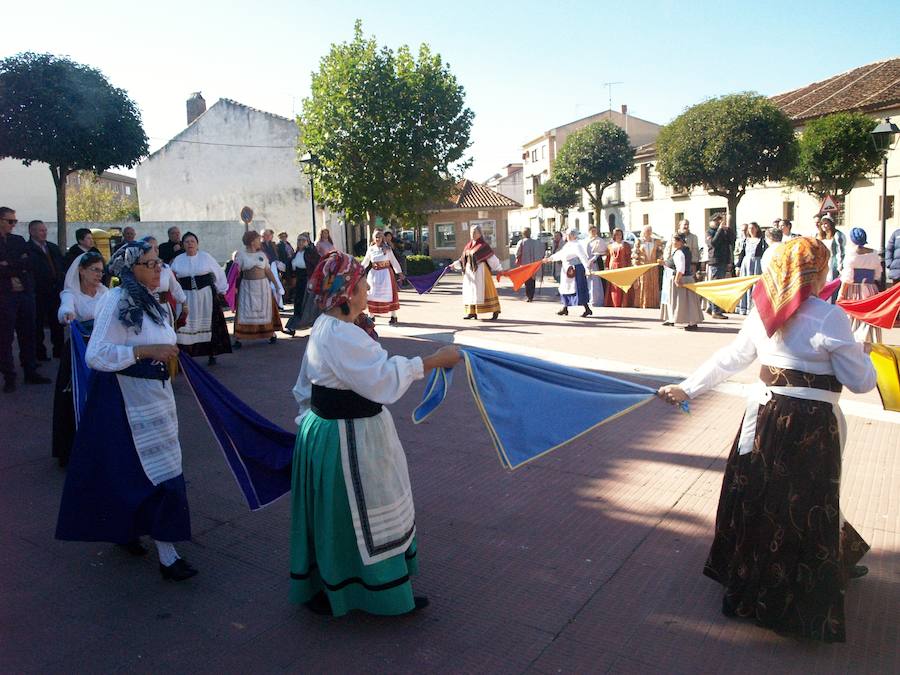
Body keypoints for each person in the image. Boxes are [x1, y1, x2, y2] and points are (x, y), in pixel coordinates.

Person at [657, 237, 876, 643]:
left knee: (761, 497)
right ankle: (795, 598)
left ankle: (749, 584)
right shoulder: (830, 317)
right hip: (812, 425)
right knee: (808, 502)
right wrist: (864, 355)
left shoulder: (762, 313)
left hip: (764, 416)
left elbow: (731, 358)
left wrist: (688, 388)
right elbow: (860, 382)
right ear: (817, 272)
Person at [290, 250, 461, 616]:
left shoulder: (329, 325)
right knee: (364, 510)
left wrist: (309, 422)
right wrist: (433, 362)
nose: (368, 287)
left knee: (337, 516)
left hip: (332, 432)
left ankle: (334, 585)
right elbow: (381, 380)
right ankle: (374, 591)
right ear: (347, 292)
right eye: (361, 282)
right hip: (349, 438)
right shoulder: (340, 334)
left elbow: (306, 385)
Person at [56, 241, 198, 582]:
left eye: (158, 263)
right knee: (153, 469)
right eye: (149, 264)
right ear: (130, 269)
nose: (158, 269)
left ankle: (127, 530)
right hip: (127, 399)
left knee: (141, 469)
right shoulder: (117, 300)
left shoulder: (152, 301)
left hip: (157, 395)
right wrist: (146, 351)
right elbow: (96, 354)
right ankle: (168, 555)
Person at [52, 251, 108, 466]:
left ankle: (101, 446)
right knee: (73, 396)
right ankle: (72, 448)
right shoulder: (71, 294)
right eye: (94, 270)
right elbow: (64, 308)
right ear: (81, 271)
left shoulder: (105, 293)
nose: (98, 275)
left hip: (101, 350)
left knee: (101, 396)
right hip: (78, 351)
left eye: (101, 271)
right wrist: (66, 315)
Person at [0, 207, 50, 392]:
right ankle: (9, 376)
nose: (13, 224)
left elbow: (29, 263)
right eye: (10, 221)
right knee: (4, 339)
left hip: (24, 295)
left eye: (15, 221)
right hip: (4, 298)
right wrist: (14, 268)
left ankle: (30, 371)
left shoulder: (18, 240)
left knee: (28, 334)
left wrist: (8, 266)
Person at [170, 232, 232, 365]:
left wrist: (221, 289)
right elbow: (172, 279)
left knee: (209, 324)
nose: (190, 244)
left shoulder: (206, 257)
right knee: (185, 325)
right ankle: (185, 355)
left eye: (193, 241)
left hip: (205, 296)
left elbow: (219, 273)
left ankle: (211, 353)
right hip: (186, 297)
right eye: (187, 242)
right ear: (183, 245)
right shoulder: (178, 260)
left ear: (197, 244)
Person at [233, 230, 283, 347]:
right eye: (257, 239)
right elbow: (235, 273)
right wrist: (233, 287)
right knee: (244, 311)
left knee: (266, 310)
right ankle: (239, 337)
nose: (259, 241)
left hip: (263, 287)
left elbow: (268, 271)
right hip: (247, 287)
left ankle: (271, 334)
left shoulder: (262, 255)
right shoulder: (241, 255)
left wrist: (276, 285)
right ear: (251, 242)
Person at [27, 220, 66, 361]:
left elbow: (61, 266)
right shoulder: (28, 249)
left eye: (45, 230)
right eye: (41, 230)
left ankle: (59, 350)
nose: (44, 233)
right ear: (32, 232)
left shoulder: (53, 248)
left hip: (55, 291)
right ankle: (40, 353)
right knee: (37, 324)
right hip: (38, 292)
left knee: (57, 323)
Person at [839, 228, 883, 343]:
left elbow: (847, 278)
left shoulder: (851, 255)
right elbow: (877, 274)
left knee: (854, 317)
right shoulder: (874, 254)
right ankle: (870, 342)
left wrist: (841, 294)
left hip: (854, 290)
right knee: (869, 317)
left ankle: (855, 343)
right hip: (871, 288)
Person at [452, 225, 502, 320]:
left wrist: (499, 268)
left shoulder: (483, 246)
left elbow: (492, 258)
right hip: (469, 273)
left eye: (475, 232)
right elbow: (463, 259)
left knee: (486, 291)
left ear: (480, 233)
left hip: (481, 272)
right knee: (470, 291)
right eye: (471, 232)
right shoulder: (468, 246)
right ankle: (472, 312)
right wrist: (454, 265)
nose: (473, 234)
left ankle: (495, 310)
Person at [660, 233, 703, 331]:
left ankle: (692, 323)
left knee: (684, 302)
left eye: (675, 240)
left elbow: (680, 268)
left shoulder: (679, 253)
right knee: (688, 301)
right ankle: (675, 319)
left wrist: (676, 279)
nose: (673, 242)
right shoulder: (686, 250)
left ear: (680, 242)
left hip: (682, 279)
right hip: (687, 278)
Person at [546, 229, 592, 317]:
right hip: (566, 269)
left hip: (575, 270)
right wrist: (550, 258)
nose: (566, 236)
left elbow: (583, 257)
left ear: (571, 235)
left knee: (577, 289)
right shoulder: (568, 245)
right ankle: (565, 308)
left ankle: (587, 309)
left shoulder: (577, 245)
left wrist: (587, 268)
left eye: (567, 235)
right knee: (564, 288)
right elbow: (561, 254)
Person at [361, 229, 403, 325]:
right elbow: (366, 261)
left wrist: (399, 272)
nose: (377, 238)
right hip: (374, 274)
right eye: (376, 237)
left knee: (388, 295)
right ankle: (371, 316)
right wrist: (358, 269)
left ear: (382, 238)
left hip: (386, 275)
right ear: (373, 238)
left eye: (379, 236)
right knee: (371, 294)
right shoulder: (371, 249)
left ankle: (393, 316)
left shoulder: (387, 249)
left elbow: (393, 261)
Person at [284, 233, 321, 334]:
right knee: (298, 304)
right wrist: (290, 277)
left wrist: (314, 279)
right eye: (298, 240)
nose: (300, 242)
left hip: (308, 281)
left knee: (308, 304)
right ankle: (292, 327)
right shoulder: (295, 254)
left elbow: (317, 266)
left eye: (302, 240)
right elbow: (290, 266)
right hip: (299, 281)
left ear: (307, 242)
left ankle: (315, 326)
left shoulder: (311, 253)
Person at [705, 214, 735, 318]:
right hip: (715, 261)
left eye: (720, 221)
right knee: (716, 286)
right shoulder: (709, 232)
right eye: (717, 221)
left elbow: (732, 241)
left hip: (723, 260)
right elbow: (713, 243)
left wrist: (729, 230)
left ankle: (711, 307)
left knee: (719, 285)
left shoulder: (723, 231)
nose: (719, 223)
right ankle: (716, 311)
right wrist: (719, 230)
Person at [735, 222, 767, 315]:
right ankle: (744, 307)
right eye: (749, 228)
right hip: (746, 263)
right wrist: (738, 266)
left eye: (753, 228)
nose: (751, 230)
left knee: (756, 285)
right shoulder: (746, 241)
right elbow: (742, 253)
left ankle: (754, 307)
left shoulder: (761, 241)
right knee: (746, 284)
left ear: (757, 229)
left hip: (757, 263)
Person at [632, 225, 662, 309]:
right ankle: (642, 303)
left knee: (653, 284)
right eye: (646, 230)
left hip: (653, 266)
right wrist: (636, 264)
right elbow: (635, 254)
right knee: (643, 284)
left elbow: (660, 252)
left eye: (649, 230)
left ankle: (653, 303)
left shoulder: (656, 241)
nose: (648, 232)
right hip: (643, 266)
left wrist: (659, 259)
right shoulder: (639, 241)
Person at [514, 227, 545, 302]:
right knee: (532, 280)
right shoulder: (536, 242)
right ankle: (531, 295)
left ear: (523, 234)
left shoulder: (521, 242)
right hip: (534, 264)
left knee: (527, 281)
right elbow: (542, 251)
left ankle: (529, 296)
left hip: (525, 265)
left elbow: (517, 253)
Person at [604, 228, 633, 308]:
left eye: (620, 234)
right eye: (616, 234)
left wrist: (629, 266)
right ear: (614, 236)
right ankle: (613, 302)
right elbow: (608, 258)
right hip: (613, 267)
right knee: (614, 286)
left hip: (622, 266)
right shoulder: (610, 245)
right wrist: (606, 267)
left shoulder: (625, 245)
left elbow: (628, 257)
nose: (618, 236)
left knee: (622, 285)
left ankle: (624, 303)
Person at [820, 214, 845, 302]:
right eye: (822, 224)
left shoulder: (837, 235)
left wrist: (840, 267)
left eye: (826, 223)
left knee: (832, 285)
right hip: (823, 264)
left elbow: (841, 252)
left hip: (833, 264)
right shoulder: (820, 236)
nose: (824, 226)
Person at [585, 226, 608, 307]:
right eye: (592, 231)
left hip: (596, 262)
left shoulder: (599, 241)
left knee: (596, 283)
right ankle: (588, 299)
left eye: (595, 230)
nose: (593, 232)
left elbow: (601, 252)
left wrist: (593, 259)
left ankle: (596, 300)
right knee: (588, 282)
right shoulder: (586, 240)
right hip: (587, 263)